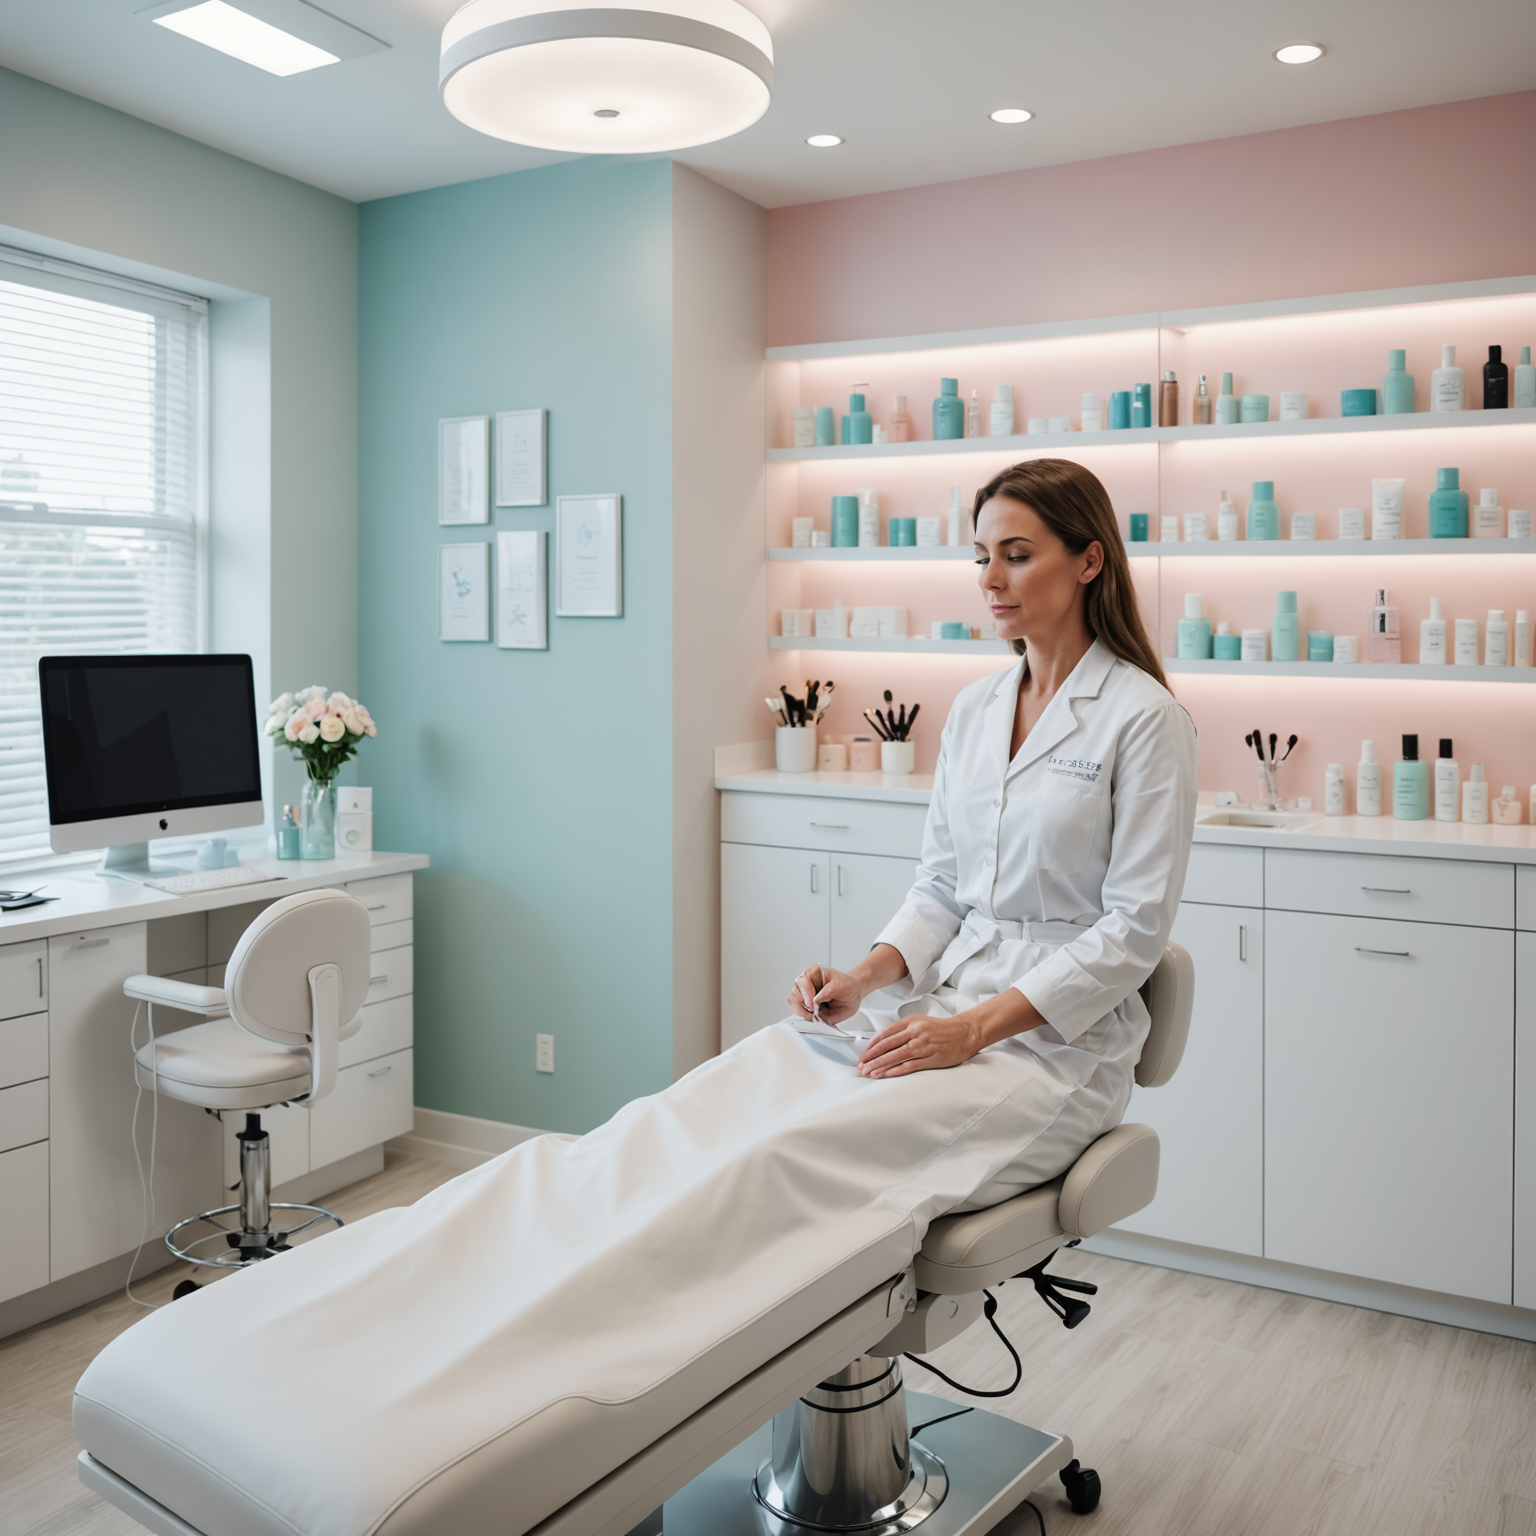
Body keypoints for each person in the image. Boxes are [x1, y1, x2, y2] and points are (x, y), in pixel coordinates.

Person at [790, 457, 1197, 1209]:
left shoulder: (1145, 719)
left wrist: (975, 1032)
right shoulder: (976, 709)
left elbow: (1135, 931)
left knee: (823, 1156)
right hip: (953, 1009)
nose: (989, 580)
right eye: (982, 558)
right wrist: (864, 977)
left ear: (1089, 561)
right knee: (780, 1093)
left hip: (1060, 1049)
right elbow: (943, 887)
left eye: (1016, 555)